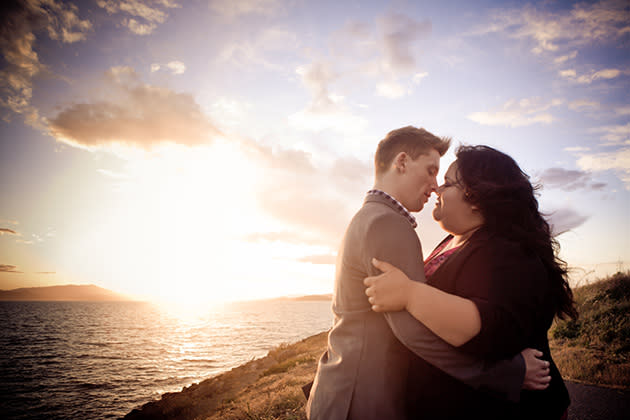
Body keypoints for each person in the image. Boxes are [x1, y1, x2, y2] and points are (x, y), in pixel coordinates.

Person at [306, 129, 550, 420]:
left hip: (350, 393)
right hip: (364, 398)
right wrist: (506, 374)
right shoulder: (387, 223)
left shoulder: (369, 217)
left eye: (442, 178)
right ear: (402, 162)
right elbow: (413, 330)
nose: (435, 186)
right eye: (431, 171)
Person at [364, 145, 576, 419]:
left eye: (448, 183)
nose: (437, 190)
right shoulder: (453, 241)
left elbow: (491, 330)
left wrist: (409, 294)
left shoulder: (506, 250)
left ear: (476, 197)